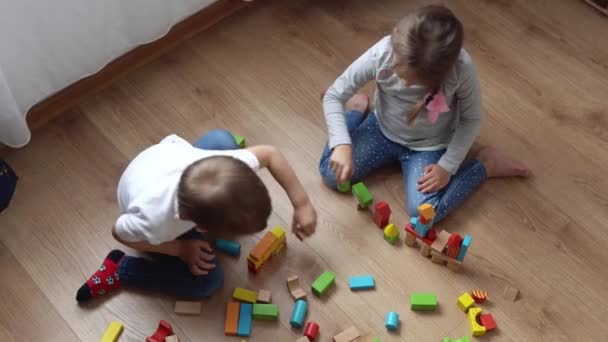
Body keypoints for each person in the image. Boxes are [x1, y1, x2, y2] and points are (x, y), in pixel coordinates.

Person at [319, 5, 530, 222]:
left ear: (435, 77)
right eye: (397, 67)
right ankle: (356, 110)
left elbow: (471, 119)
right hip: (381, 128)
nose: (401, 82)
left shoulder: (460, 69)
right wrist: (342, 144)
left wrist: (447, 166)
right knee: (330, 173)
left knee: (424, 214)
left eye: (410, 80)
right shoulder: (383, 52)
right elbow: (333, 95)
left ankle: (487, 165)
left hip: (429, 146)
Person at [76, 130, 316, 302]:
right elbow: (119, 232)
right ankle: (122, 269)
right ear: (202, 227)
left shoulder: (224, 166)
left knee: (222, 139)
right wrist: (179, 249)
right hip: (143, 200)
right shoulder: (155, 221)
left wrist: (301, 202)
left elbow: (270, 153)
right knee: (207, 283)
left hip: (170, 164)